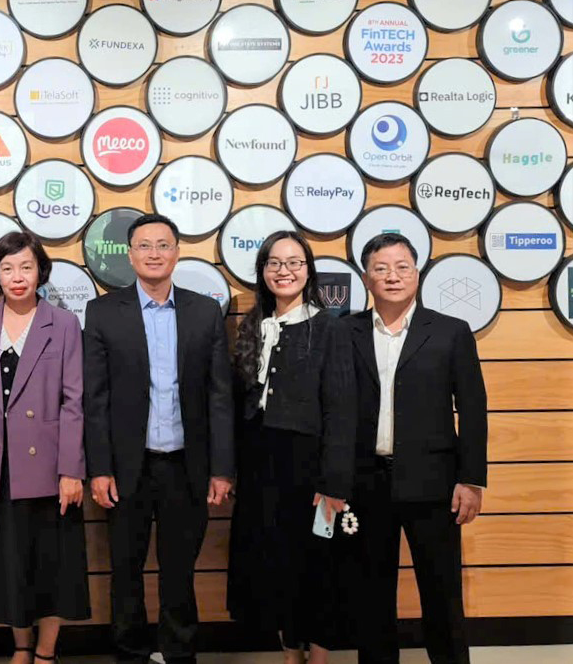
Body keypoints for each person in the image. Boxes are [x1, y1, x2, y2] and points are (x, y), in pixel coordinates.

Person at [83, 213, 234, 664]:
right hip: (128, 467)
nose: (154, 253)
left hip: (186, 466)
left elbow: (219, 397)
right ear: (129, 255)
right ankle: (129, 652)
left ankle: (178, 651)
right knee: (125, 570)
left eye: (163, 245)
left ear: (176, 252)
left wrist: (222, 468)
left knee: (179, 571)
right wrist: (100, 467)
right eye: (144, 246)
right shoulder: (103, 312)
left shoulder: (204, 312)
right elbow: (96, 399)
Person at [345, 233, 487, 664]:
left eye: (402, 266)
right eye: (381, 268)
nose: (392, 276)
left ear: (417, 273)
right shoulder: (343, 332)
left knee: (442, 596)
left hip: (435, 486)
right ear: (366, 277)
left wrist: (471, 479)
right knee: (371, 598)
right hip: (365, 483)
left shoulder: (451, 332)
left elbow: (474, 410)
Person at [0, 231, 90, 664]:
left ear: (40, 271)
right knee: (10, 564)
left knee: (52, 564)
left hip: (50, 468)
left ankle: (47, 652)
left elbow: (75, 401)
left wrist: (72, 470)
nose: (18, 277)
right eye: (8, 268)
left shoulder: (64, 323)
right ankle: (21, 646)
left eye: (26, 267)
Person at [226, 230, 356, 664]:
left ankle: (317, 656)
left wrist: (334, 479)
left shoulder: (329, 328)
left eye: (294, 262)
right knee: (274, 565)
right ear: (263, 272)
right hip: (262, 463)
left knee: (316, 564)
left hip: (309, 466)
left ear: (308, 270)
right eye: (274, 263)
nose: (285, 271)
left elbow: (341, 410)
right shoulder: (253, 325)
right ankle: (289, 653)